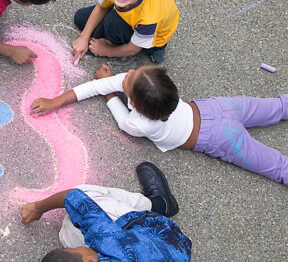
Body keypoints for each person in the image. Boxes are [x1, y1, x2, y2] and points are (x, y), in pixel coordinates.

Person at [31, 63, 288, 185]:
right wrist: (56, 101)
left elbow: (113, 109)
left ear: (132, 102)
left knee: (276, 166)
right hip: (217, 107)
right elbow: (98, 86)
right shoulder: (153, 89)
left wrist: (110, 95)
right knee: (277, 107)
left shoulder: (140, 124)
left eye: (131, 76)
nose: (128, 73)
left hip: (219, 139)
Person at [22, 163, 191, 262]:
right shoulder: (110, 242)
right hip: (173, 246)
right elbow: (75, 197)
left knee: (67, 233)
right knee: (81, 212)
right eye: (71, 250)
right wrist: (38, 208)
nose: (74, 248)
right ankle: (157, 203)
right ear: (89, 260)